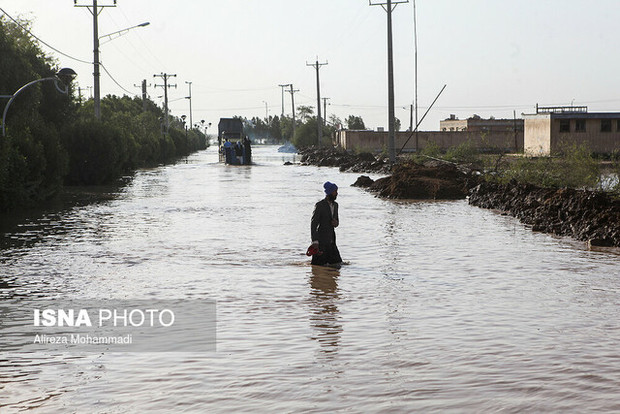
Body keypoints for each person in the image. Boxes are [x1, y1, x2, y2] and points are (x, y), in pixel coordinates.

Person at [310, 181, 343, 267]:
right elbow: (314, 224)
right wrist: (315, 241)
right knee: (317, 267)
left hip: (332, 241)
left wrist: (336, 223)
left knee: (337, 265)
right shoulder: (320, 205)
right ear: (329, 192)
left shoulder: (336, 205)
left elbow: (337, 221)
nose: (337, 193)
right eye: (335, 191)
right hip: (321, 242)